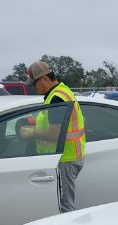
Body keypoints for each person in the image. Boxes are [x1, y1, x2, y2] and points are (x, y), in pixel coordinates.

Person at [19, 60, 86, 213]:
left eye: (34, 83)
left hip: (64, 159)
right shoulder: (61, 92)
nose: (33, 88)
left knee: (64, 207)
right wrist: (36, 126)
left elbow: (55, 133)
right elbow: (56, 125)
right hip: (65, 157)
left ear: (44, 79)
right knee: (62, 203)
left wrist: (32, 133)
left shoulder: (57, 99)